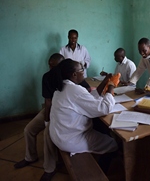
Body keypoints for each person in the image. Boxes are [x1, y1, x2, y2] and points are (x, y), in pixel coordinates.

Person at [49, 59, 118, 173]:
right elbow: (104, 108)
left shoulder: (63, 87)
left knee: (99, 126)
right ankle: (99, 172)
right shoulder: (75, 90)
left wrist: (105, 81)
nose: (84, 71)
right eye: (82, 69)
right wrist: (111, 86)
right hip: (70, 139)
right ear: (74, 74)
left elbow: (89, 98)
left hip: (59, 134)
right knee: (113, 144)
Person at [14, 53, 65, 181]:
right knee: (29, 129)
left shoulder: (68, 77)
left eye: (54, 66)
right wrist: (46, 120)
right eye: (49, 65)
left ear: (61, 66)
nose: (50, 68)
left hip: (62, 113)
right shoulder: (47, 77)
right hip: (49, 110)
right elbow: (47, 101)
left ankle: (50, 169)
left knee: (47, 136)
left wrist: (49, 123)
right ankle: (30, 157)